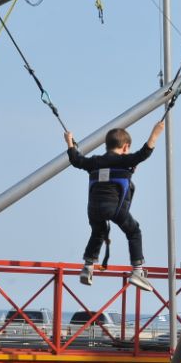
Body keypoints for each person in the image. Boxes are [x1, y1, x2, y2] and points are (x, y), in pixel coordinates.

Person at [64, 120, 165, 292]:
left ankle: (88, 267)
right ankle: (138, 271)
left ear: (107, 145)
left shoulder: (94, 162)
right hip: (115, 209)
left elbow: (76, 160)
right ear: (125, 147)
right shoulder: (125, 160)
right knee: (134, 231)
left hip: (94, 209)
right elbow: (144, 153)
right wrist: (156, 132)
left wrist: (69, 142)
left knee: (98, 232)